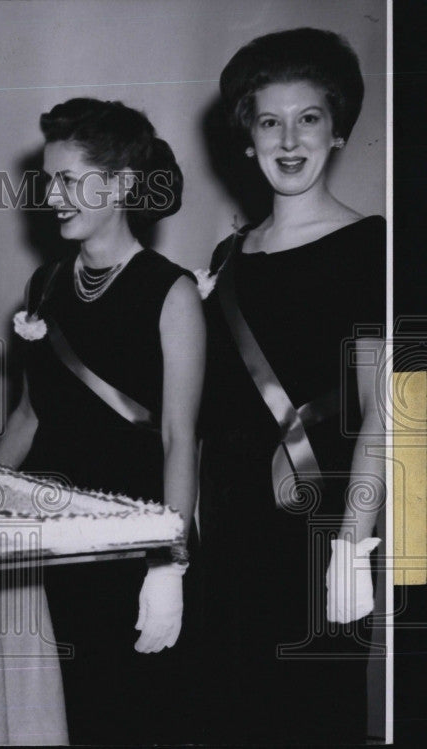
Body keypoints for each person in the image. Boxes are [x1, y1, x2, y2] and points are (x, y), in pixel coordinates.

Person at [0, 97, 205, 744]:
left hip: (131, 546)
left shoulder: (171, 291)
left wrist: (168, 564)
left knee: (130, 718)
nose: (53, 195)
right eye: (49, 179)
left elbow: (178, 436)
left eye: (71, 180)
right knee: (62, 717)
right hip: (54, 544)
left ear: (122, 185)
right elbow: (30, 413)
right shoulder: (45, 285)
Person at [197, 27, 385, 744]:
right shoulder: (228, 255)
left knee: (309, 712)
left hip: (317, 525)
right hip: (231, 520)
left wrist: (353, 541)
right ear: (246, 139)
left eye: (308, 117)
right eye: (268, 121)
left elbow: (385, 412)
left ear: (337, 131)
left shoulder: (372, 245)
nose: (288, 139)